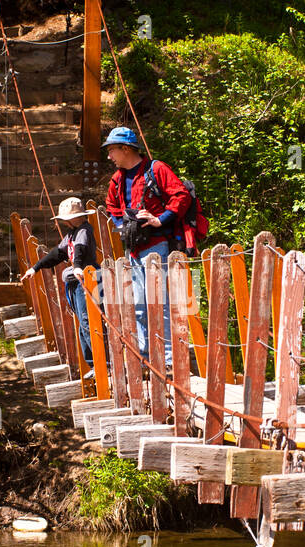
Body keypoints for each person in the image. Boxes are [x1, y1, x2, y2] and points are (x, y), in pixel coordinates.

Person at [102, 126, 192, 368]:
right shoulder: (118, 179)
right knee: (140, 304)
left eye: (112, 150)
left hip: (157, 246)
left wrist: (158, 219)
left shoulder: (156, 169)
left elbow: (181, 196)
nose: (109, 156)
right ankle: (147, 356)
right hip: (133, 248)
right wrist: (123, 225)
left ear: (125, 148)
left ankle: (170, 361)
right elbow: (112, 205)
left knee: (160, 303)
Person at [22, 198, 98, 375]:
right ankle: (93, 363)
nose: (63, 222)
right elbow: (58, 253)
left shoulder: (84, 231)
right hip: (76, 280)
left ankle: (103, 364)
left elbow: (79, 249)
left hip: (85, 279)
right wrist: (36, 268)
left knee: (88, 320)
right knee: (82, 322)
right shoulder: (72, 233)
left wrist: (78, 266)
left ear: (74, 218)